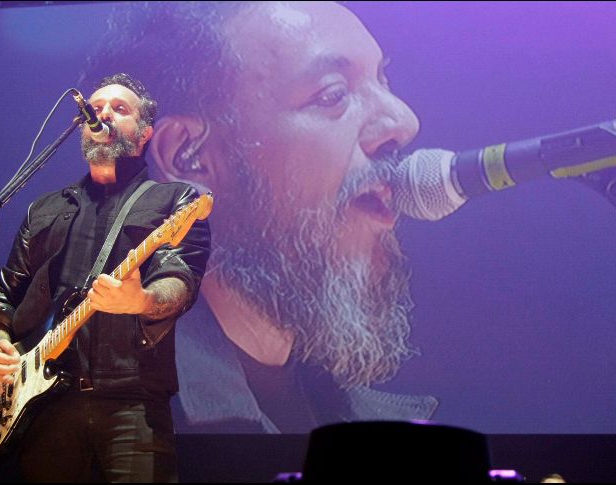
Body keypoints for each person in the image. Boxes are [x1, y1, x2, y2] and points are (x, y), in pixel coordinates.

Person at [84, 1, 438, 434]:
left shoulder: (359, 413)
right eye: (333, 95)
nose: (403, 121)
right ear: (189, 157)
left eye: (383, 79)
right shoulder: (94, 416)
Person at [0, 73, 211, 481]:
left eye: (120, 109)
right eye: (97, 107)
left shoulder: (175, 200)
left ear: (145, 134)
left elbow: (180, 278)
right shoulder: (45, 210)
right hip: (44, 408)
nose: (102, 114)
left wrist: (141, 301)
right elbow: (2, 300)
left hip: (133, 401)